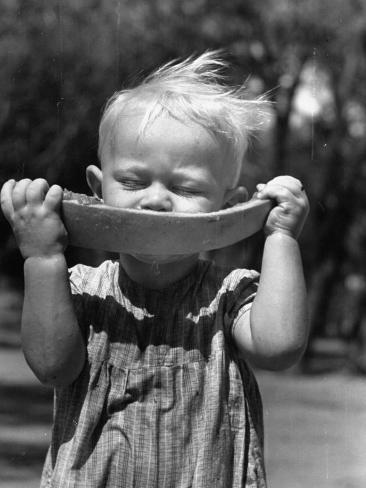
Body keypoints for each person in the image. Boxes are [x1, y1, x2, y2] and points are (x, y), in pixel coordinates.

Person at [0, 52, 309, 488]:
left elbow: (278, 348)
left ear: (228, 205)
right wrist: (43, 257)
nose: (156, 200)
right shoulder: (81, 291)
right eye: (131, 182)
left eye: (184, 187)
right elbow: (53, 367)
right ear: (97, 188)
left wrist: (280, 237)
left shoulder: (230, 295)